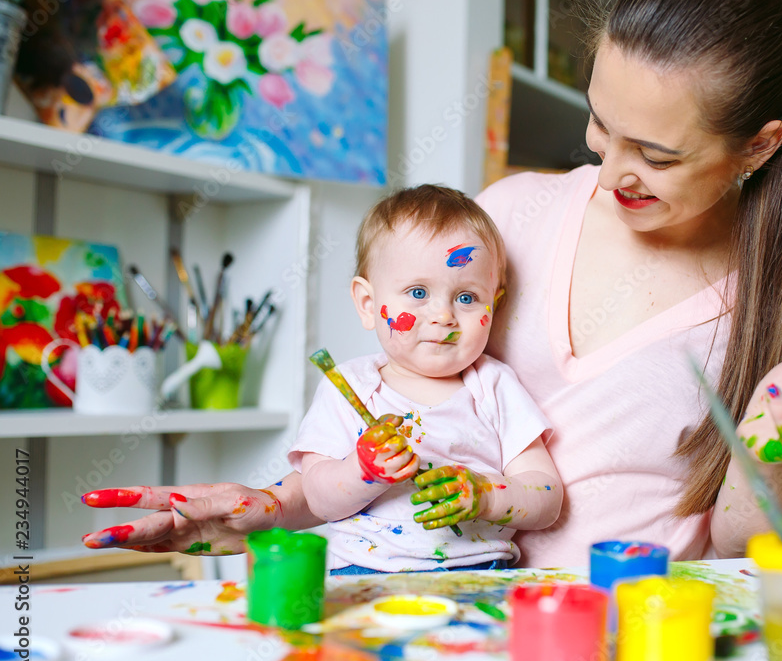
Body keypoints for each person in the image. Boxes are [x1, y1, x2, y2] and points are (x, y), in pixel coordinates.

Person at [82, 0, 782, 567]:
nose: (607, 176)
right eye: (600, 126)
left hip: (625, 640)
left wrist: (764, 447)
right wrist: (265, 512)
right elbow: (412, 415)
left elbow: (752, 550)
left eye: (657, 156)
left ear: (759, 146)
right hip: (433, 621)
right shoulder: (506, 222)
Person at [85, 185, 563, 573]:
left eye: (466, 297)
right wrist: (364, 470)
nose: (443, 315)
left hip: (481, 578)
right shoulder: (350, 386)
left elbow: (546, 496)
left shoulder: (494, 386)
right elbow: (318, 496)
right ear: (365, 302)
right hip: (363, 577)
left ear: (493, 304)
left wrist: (484, 495)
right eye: (418, 292)